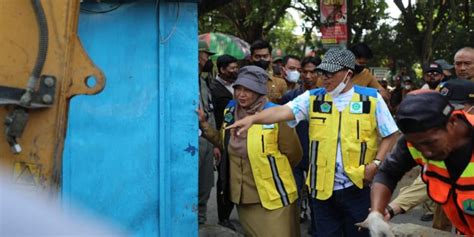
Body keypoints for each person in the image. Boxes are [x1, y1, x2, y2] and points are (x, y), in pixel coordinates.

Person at [227, 48, 399, 237]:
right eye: (322, 73)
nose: (324, 78)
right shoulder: (313, 98)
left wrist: (375, 164)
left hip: (357, 186)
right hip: (321, 189)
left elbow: (390, 133)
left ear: (348, 74)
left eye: (330, 74)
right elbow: (281, 111)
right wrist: (252, 119)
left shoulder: (371, 99)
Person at [199, 65, 303, 236]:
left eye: (248, 89)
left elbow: (293, 153)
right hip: (244, 196)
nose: (241, 94)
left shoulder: (275, 115)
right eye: (238, 88)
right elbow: (225, 143)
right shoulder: (231, 111)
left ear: (260, 91)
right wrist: (205, 126)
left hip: (274, 194)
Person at [361, 89, 474, 236]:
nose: (426, 152)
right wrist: (377, 212)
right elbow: (388, 173)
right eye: (417, 145)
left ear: (452, 122)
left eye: (431, 143)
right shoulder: (413, 141)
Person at [281, 56, 321, 235]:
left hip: (318, 156)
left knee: (316, 198)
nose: (308, 75)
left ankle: (316, 229)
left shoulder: (327, 99)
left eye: (313, 72)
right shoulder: (290, 97)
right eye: (304, 72)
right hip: (295, 154)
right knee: (293, 195)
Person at [209, 54, 239, 230]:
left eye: (236, 68)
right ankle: (223, 216)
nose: (235, 71)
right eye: (232, 68)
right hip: (222, 138)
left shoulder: (238, 85)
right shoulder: (214, 88)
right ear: (221, 70)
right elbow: (214, 117)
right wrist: (216, 144)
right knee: (224, 178)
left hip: (238, 136)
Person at [197, 40, 217, 225]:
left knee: (206, 181)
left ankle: (201, 217)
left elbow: (210, 111)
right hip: (191, 140)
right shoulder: (183, 80)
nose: (207, 60)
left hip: (207, 139)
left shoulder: (204, 81)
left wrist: (216, 143)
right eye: (206, 55)